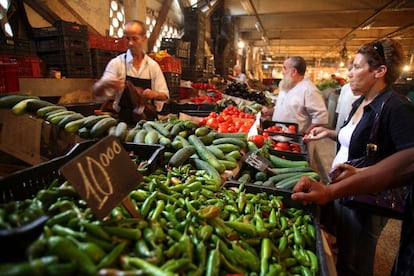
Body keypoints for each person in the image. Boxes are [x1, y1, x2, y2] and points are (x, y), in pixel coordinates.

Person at [303, 38, 414, 276]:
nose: (349, 73)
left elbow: (409, 158)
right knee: (343, 248)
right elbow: (358, 139)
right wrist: (330, 133)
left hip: (367, 200)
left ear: (379, 71)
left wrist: (360, 174)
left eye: (356, 66)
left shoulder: (396, 107)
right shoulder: (362, 102)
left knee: (356, 263)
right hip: (345, 190)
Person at [291, 147, 414, 275]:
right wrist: (357, 172)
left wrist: (329, 192)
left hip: (369, 202)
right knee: (348, 253)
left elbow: (409, 161)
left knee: (358, 258)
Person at [93, 20, 169, 124]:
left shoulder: (153, 66)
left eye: (135, 39)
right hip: (124, 122)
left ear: (144, 38)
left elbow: (165, 96)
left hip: (149, 123)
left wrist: (154, 94)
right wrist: (103, 83)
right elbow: (98, 93)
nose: (130, 43)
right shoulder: (117, 64)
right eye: (127, 38)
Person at [261, 56, 328, 134]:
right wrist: (269, 112)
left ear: (294, 72)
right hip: (278, 132)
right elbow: (283, 108)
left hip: (294, 138)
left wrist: (305, 134)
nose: (282, 72)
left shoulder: (309, 90)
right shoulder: (287, 86)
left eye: (285, 68)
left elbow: (320, 117)